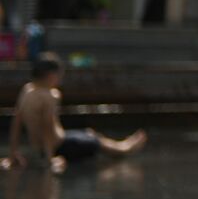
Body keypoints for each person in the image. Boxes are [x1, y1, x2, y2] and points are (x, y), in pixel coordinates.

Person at [3, 53, 146, 173]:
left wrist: (12, 154)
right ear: (51, 75)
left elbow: (16, 122)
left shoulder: (27, 90)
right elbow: (47, 125)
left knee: (89, 133)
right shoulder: (50, 96)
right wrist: (49, 158)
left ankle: (121, 144)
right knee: (96, 141)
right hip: (61, 146)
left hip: (42, 147)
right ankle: (124, 149)